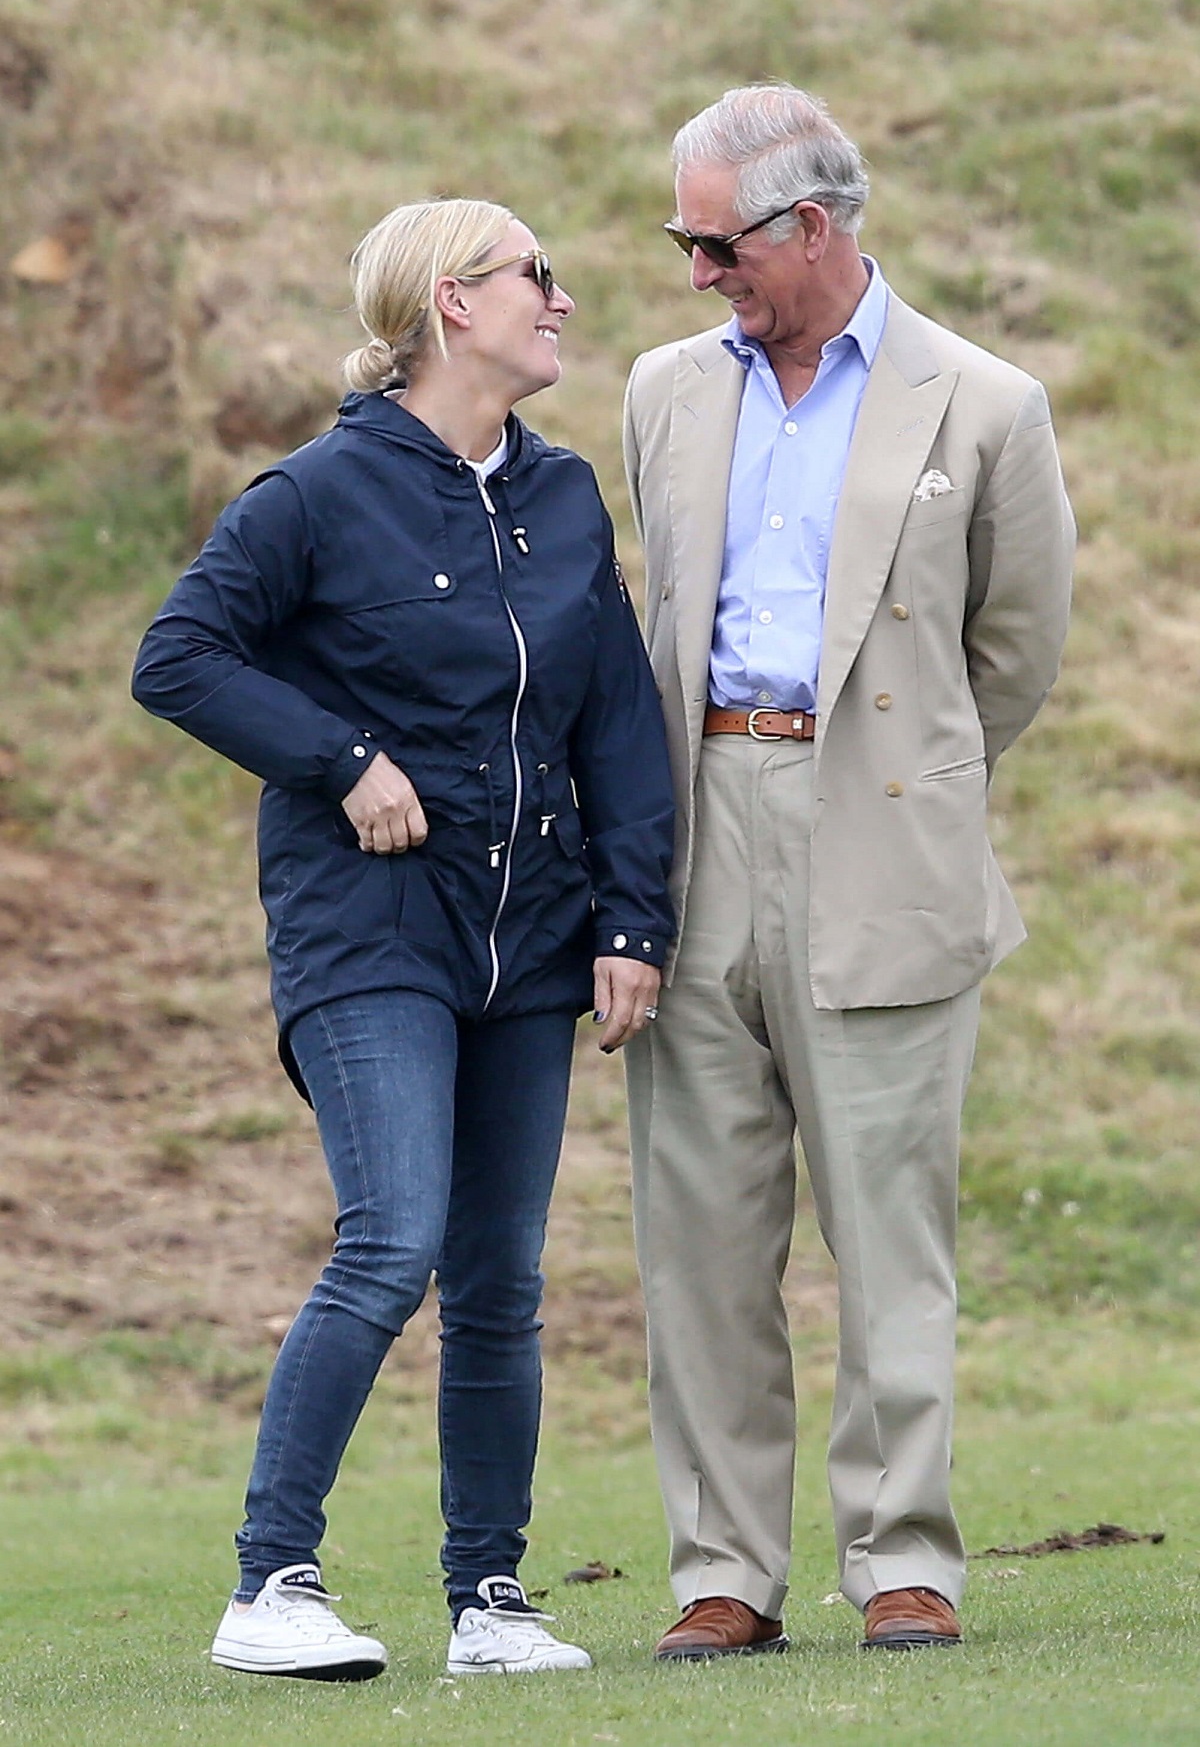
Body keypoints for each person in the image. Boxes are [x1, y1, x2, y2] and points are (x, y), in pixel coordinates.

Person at [132, 198, 674, 1681]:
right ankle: (271, 1583)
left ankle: (489, 1601)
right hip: (368, 931)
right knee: (392, 1241)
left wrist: (632, 918)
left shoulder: (564, 499)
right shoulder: (314, 494)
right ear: (453, 303)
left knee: (499, 1282)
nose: (560, 302)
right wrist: (341, 755)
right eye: (534, 277)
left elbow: (619, 724)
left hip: (535, 939)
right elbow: (176, 658)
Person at [622, 85, 1074, 1658]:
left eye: (715, 240)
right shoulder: (664, 390)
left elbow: (1013, 652)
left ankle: (906, 1557)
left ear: (812, 225)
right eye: (684, 239)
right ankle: (721, 1571)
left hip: (883, 830)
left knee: (889, 1222)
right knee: (699, 1226)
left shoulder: (987, 401)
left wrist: (909, 780)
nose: (697, 272)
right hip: (698, 830)